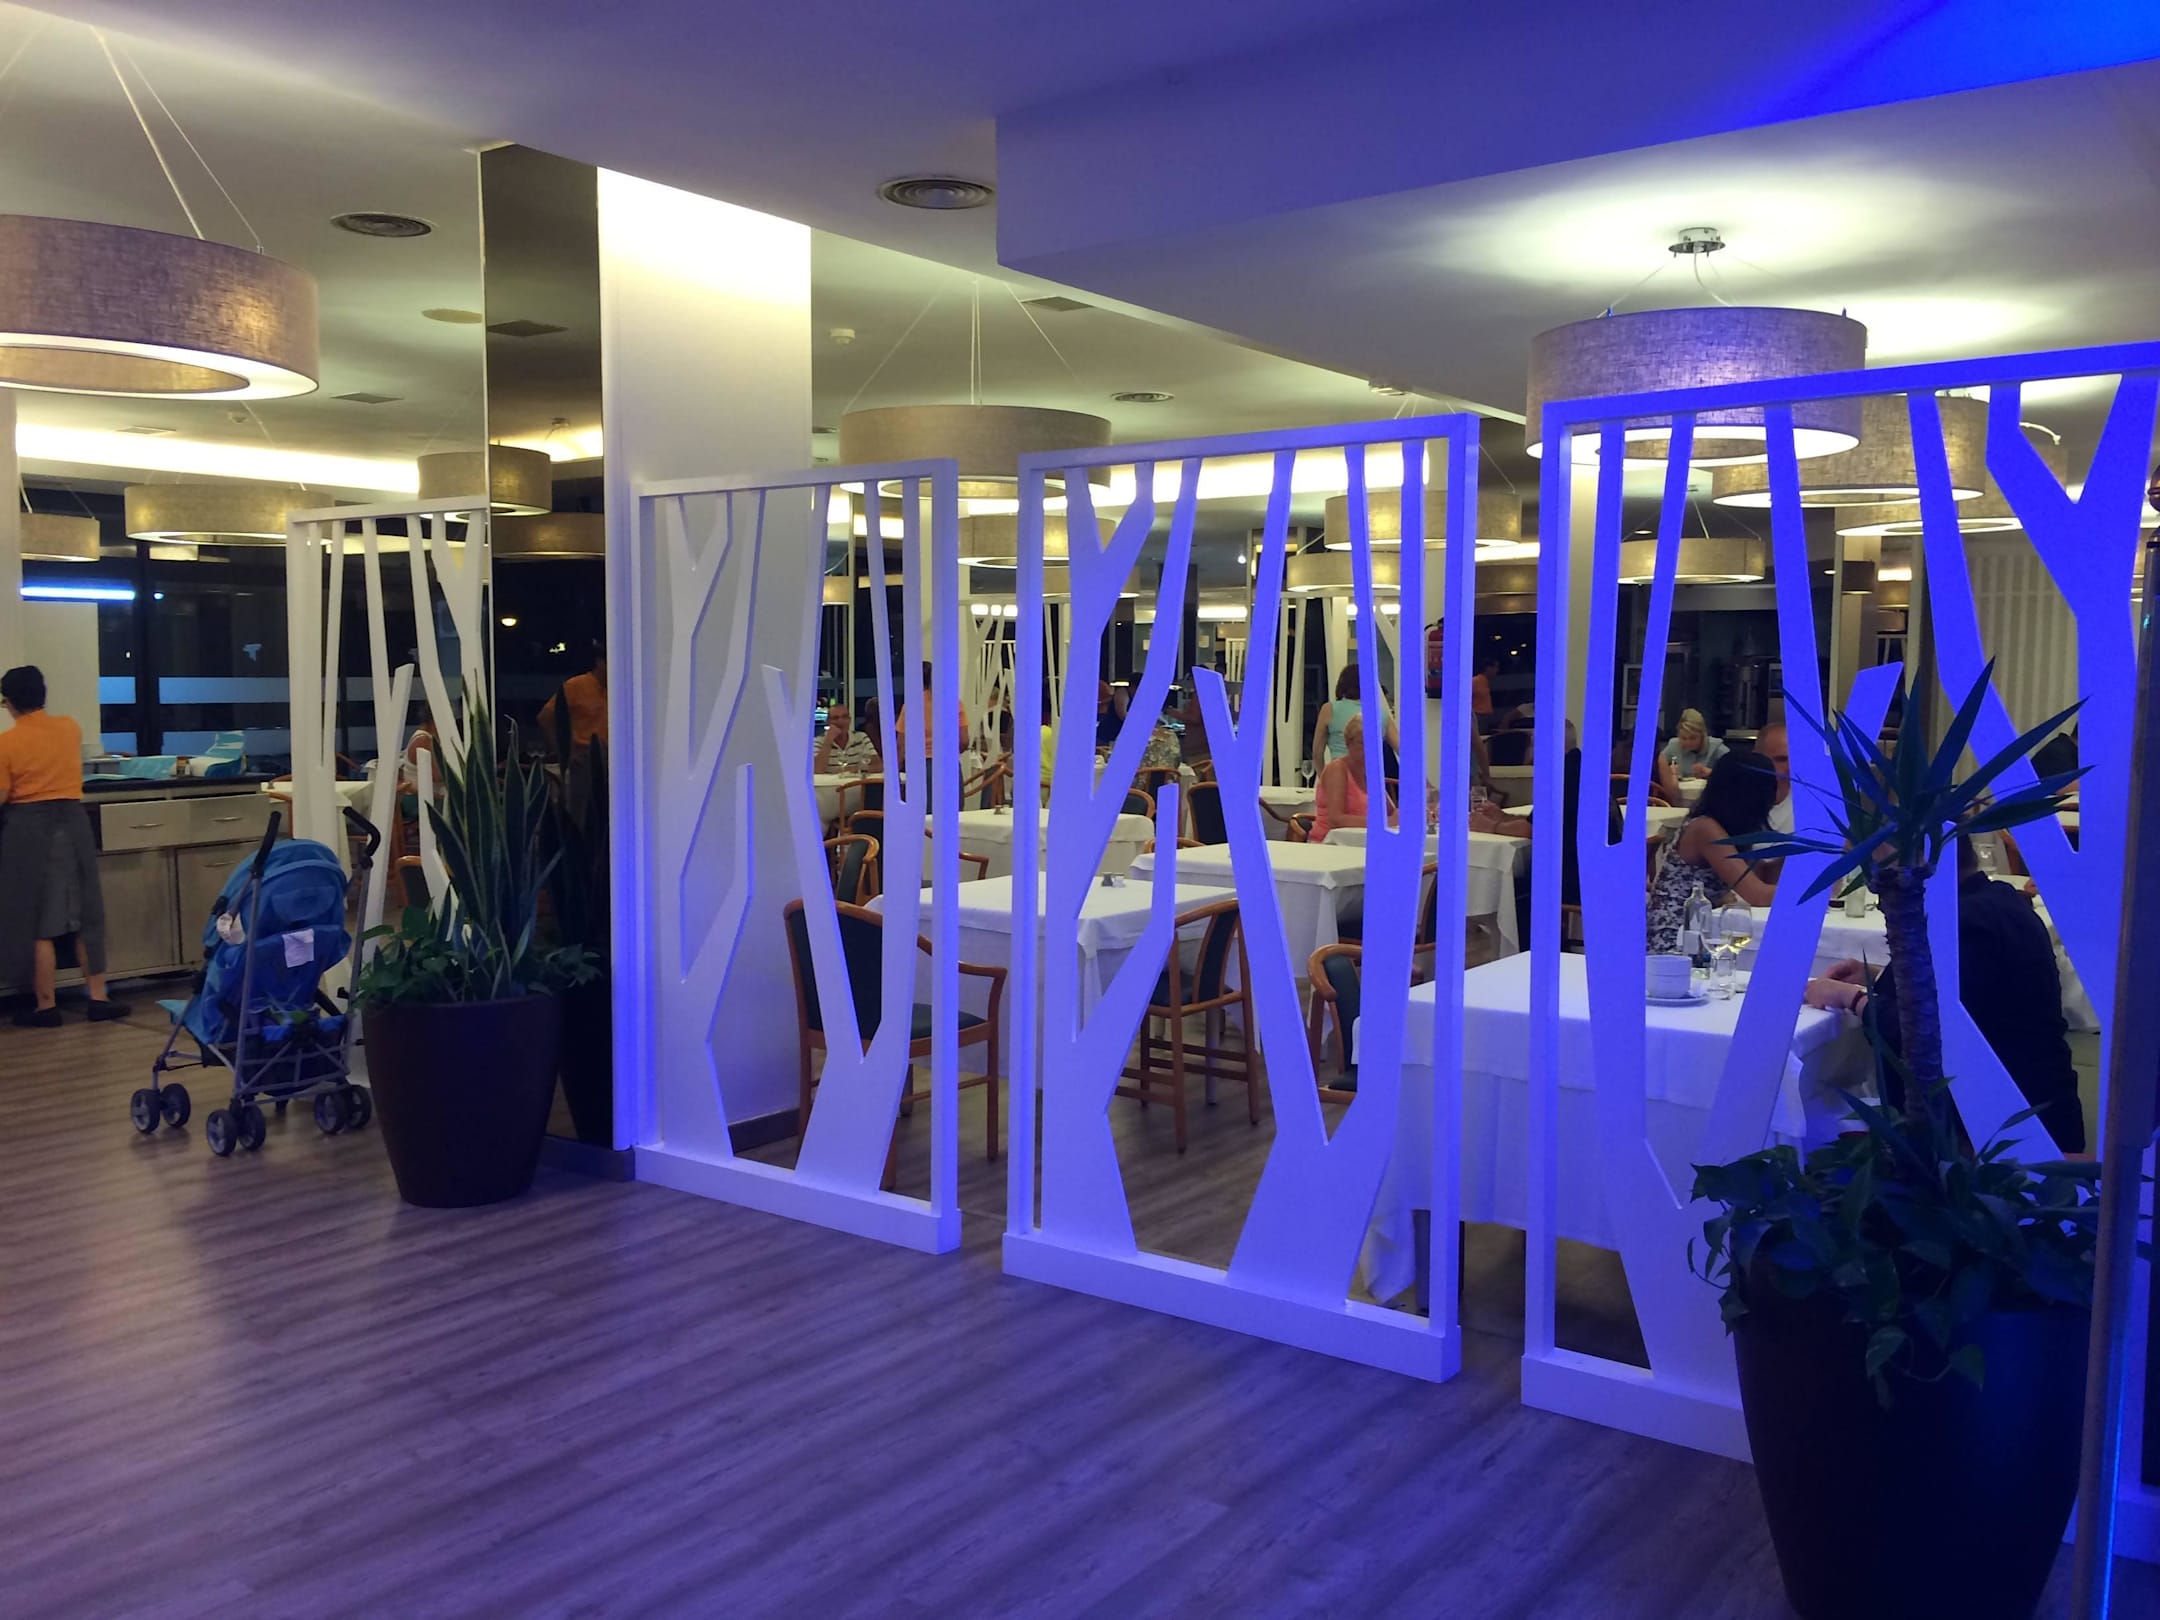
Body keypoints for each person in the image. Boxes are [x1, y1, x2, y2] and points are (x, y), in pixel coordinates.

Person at [1808, 836, 2084, 1151]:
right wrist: (1878, 976)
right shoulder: (1999, 899)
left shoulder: (1965, 923)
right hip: (2035, 1106)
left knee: (1821, 1123)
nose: (1878, 887)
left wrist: (1852, 999)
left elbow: (1923, 1036)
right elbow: (1965, 994)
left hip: (1997, 1134)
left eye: (1881, 869)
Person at [0, 666, 127, 1026]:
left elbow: (3, 794)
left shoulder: (7, 743)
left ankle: (46, 1007)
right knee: (87, 911)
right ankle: (98, 998)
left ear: (9, 702)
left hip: (28, 827)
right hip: (74, 822)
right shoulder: (70, 728)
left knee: (37, 918)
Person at [1645, 750, 1780, 952]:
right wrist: (1815, 890)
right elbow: (1758, 896)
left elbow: (1757, 875)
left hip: (1699, 933)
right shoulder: (1706, 830)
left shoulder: (1717, 825)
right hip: (1675, 941)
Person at [1310, 714, 1395, 842]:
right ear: (1348, 743)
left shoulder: (1371, 772)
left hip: (1361, 842)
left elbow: (1391, 812)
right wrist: (1385, 823)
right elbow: (1336, 820)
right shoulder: (1338, 769)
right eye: (1363, 743)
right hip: (1331, 843)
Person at [1309, 665, 1400, 774]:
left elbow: (1317, 753)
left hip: (1339, 774)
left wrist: (1324, 778)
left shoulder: (1329, 710)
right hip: (1370, 778)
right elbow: (1402, 750)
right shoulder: (1380, 714)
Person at [538, 638, 608, 754]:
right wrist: (560, 754)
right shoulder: (575, 685)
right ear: (599, 662)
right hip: (582, 755)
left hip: (613, 756)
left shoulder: (619, 690)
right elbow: (544, 718)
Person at [893, 662, 967, 760]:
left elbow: (901, 745)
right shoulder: (954, 702)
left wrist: (897, 767)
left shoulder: (911, 705)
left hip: (919, 762)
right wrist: (951, 753)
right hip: (948, 761)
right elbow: (964, 741)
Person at [1657, 708, 1727, 798]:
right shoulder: (1674, 745)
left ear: (1703, 735)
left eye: (1693, 738)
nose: (1688, 742)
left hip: (1710, 798)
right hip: (1679, 797)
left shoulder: (1716, 747)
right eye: (1683, 738)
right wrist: (1668, 772)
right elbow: (1657, 766)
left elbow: (1734, 773)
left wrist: (1711, 773)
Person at [815, 702, 879, 775]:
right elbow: (817, 770)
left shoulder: (861, 737)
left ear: (849, 720)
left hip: (855, 781)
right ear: (828, 721)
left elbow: (878, 765)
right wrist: (828, 741)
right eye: (835, 718)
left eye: (844, 717)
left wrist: (853, 769)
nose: (840, 721)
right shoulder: (818, 741)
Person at [1471, 656, 1498, 734]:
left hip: (1485, 716)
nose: (1497, 670)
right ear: (1488, 668)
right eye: (1495, 667)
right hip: (1478, 716)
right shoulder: (1475, 681)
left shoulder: (1486, 682)